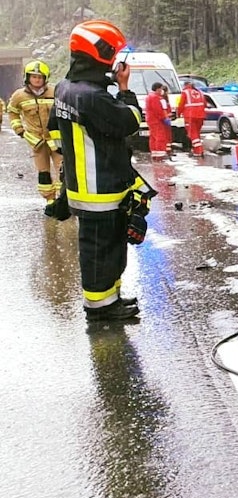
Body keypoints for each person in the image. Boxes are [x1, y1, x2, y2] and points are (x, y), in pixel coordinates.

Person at [49, 19, 147, 321]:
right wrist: (125, 89)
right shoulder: (92, 96)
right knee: (100, 252)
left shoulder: (66, 88)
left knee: (111, 249)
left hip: (88, 184)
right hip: (99, 190)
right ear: (99, 53)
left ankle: (111, 298)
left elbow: (57, 132)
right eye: (114, 54)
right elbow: (129, 122)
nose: (118, 62)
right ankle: (99, 308)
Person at [7, 60, 62, 211]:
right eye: (34, 77)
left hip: (56, 139)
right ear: (27, 78)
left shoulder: (56, 91)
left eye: (40, 77)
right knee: (43, 172)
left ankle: (64, 200)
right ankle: (50, 201)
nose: (37, 80)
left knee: (63, 169)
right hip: (36, 141)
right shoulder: (19, 96)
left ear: (46, 78)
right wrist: (20, 130)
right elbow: (12, 112)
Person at [176, 79, 206, 156]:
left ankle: (198, 150)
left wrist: (178, 114)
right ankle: (197, 149)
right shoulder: (199, 92)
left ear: (185, 85)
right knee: (197, 133)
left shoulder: (185, 92)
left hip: (190, 116)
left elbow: (181, 104)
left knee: (193, 134)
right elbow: (205, 104)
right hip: (201, 115)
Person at [144, 81, 173, 159]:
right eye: (160, 89)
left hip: (151, 120)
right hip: (157, 121)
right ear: (158, 89)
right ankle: (159, 156)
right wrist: (164, 119)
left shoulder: (150, 96)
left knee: (153, 137)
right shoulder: (155, 97)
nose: (161, 90)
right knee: (160, 138)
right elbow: (158, 110)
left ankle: (155, 154)